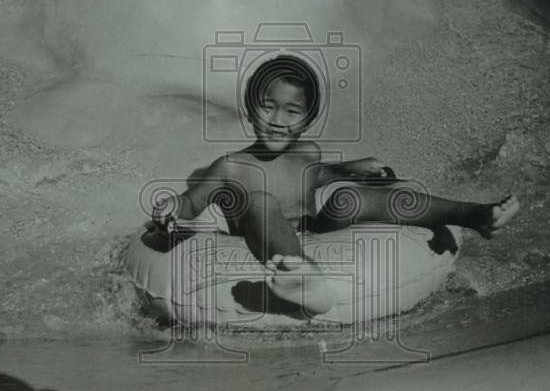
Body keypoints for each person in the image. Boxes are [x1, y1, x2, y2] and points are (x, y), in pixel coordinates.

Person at [151, 54, 520, 317]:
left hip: (317, 233)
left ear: (307, 120)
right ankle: (303, 279)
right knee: (261, 200)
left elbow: (317, 176)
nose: (279, 120)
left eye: (292, 111)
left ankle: (472, 213)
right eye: (268, 107)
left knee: (348, 198)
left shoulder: (307, 152)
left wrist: (350, 169)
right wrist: (171, 208)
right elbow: (191, 204)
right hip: (269, 246)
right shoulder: (229, 168)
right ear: (250, 108)